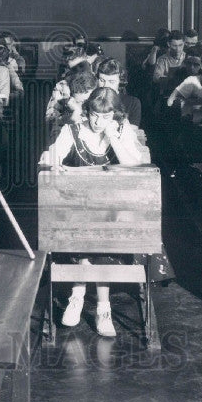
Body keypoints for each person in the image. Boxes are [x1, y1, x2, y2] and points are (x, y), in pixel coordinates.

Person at [39, 88, 169, 337]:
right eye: (94, 115)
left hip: (115, 211)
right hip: (77, 209)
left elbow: (134, 164)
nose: (98, 122)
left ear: (115, 115)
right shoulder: (72, 129)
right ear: (87, 111)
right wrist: (54, 163)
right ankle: (96, 303)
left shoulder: (122, 130)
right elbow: (50, 156)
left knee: (105, 233)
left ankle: (85, 297)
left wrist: (113, 136)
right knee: (89, 231)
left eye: (106, 116)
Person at [94, 57, 142, 128]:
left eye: (111, 81)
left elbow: (132, 133)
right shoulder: (92, 99)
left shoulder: (133, 103)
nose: (105, 85)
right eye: (102, 80)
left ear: (120, 81)